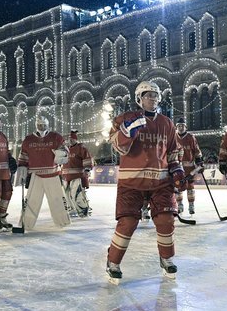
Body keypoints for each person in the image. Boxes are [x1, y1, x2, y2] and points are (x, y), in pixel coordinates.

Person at [106, 81, 184, 283]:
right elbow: (117, 146)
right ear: (139, 98)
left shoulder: (167, 123)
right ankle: (113, 262)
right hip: (131, 182)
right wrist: (127, 131)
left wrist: (177, 170)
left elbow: (173, 152)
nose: (153, 98)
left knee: (166, 220)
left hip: (160, 182)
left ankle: (166, 259)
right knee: (128, 222)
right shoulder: (124, 119)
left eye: (156, 95)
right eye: (149, 95)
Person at [13, 116, 71, 230]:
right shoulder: (28, 139)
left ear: (48, 125)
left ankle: (62, 221)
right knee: (32, 201)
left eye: (44, 125)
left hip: (53, 174)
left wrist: (62, 153)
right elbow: (23, 155)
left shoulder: (56, 137)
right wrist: (22, 167)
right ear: (36, 125)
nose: (42, 127)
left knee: (57, 200)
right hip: (36, 175)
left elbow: (65, 150)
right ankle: (27, 223)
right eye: (40, 125)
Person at [174, 117, 203, 215]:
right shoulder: (173, 137)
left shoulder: (191, 137)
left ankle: (191, 205)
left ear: (185, 127)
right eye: (179, 126)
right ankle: (180, 205)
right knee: (178, 186)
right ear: (176, 127)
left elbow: (196, 150)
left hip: (190, 168)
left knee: (190, 187)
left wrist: (199, 160)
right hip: (177, 168)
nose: (180, 128)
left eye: (182, 126)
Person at [61, 130, 93, 218]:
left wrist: (87, 168)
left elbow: (87, 158)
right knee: (66, 194)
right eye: (69, 139)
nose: (70, 141)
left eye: (72, 139)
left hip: (77, 175)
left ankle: (83, 210)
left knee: (76, 193)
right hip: (65, 176)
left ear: (76, 140)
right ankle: (71, 209)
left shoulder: (81, 148)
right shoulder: (65, 149)